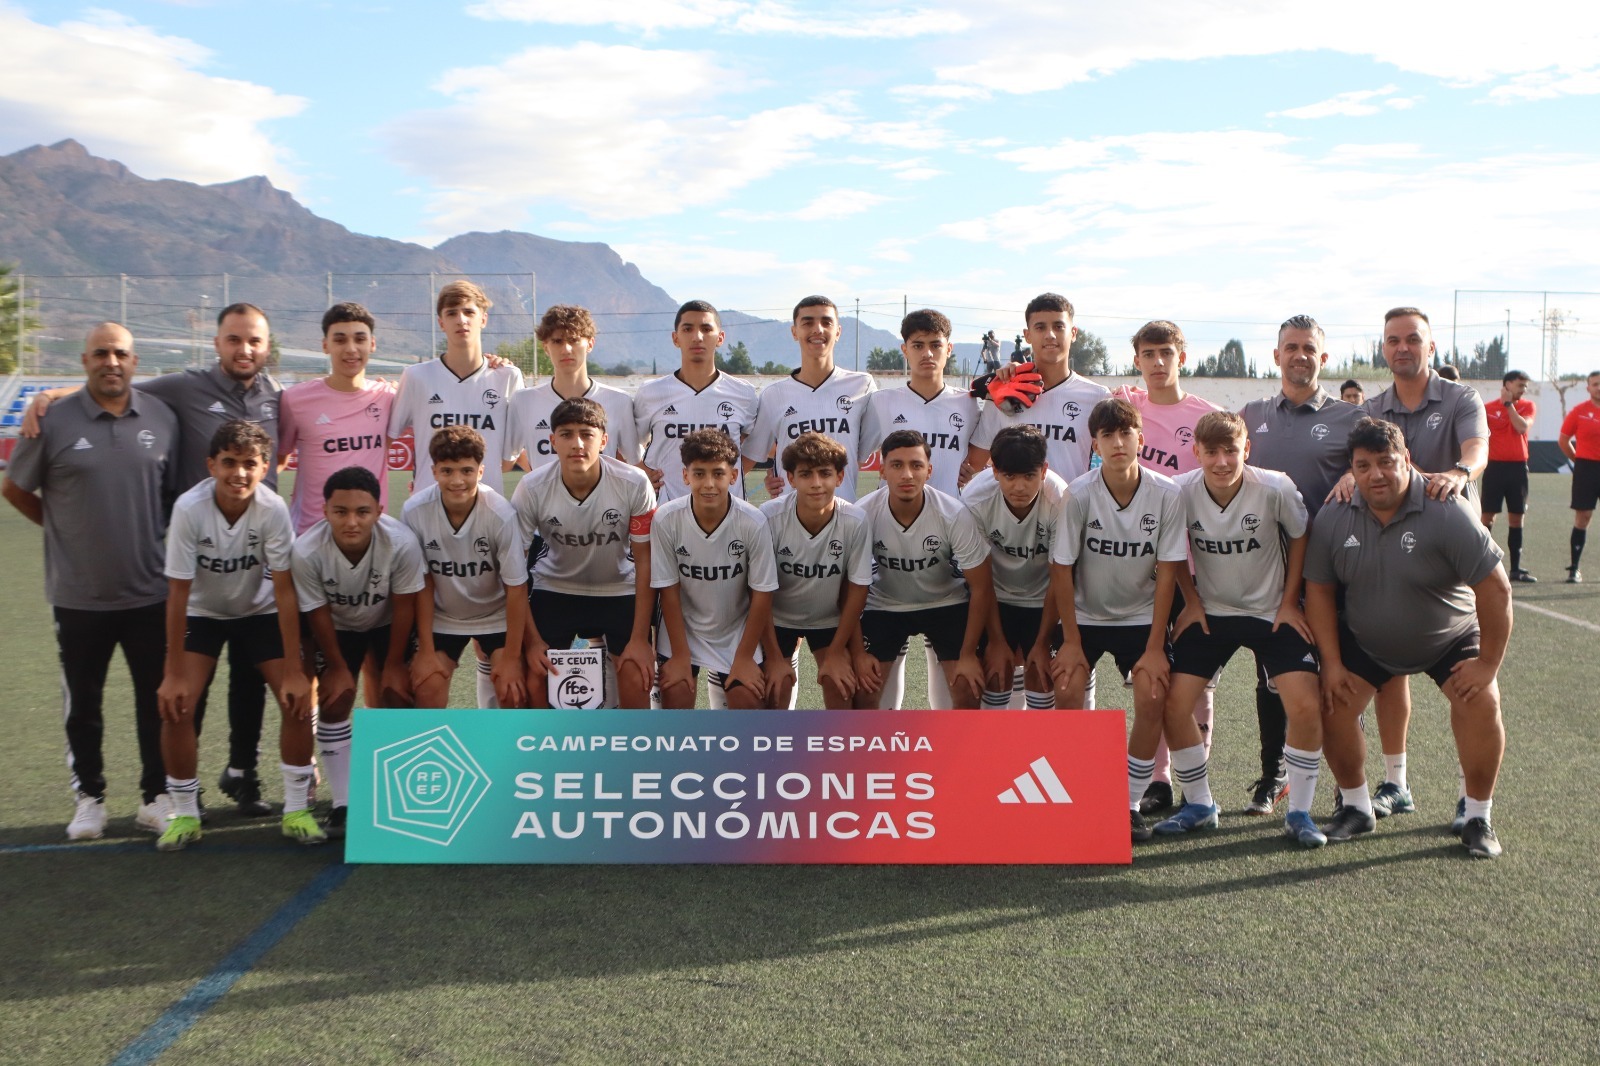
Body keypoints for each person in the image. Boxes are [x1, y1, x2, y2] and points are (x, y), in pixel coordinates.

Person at [24, 304, 287, 817]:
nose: (244, 349)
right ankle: (174, 792)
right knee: (192, 683)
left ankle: (241, 773)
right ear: (217, 343)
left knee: (252, 676)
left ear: (267, 345)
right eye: (234, 339)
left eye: (254, 341)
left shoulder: (278, 396)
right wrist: (53, 394)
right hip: (196, 564)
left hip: (257, 560)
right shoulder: (181, 388)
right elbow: (116, 386)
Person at [2, 323, 179, 839]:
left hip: (149, 591)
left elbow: (169, 497)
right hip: (78, 596)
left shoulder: (161, 417)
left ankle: (156, 795)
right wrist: (65, 530)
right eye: (100, 353)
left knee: (156, 700)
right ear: (84, 361)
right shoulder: (52, 420)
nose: (111, 362)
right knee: (83, 702)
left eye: (120, 353)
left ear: (134, 361)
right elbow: (15, 490)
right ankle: (90, 797)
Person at [1306, 418, 1512, 858]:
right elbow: (1319, 591)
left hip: (1449, 637)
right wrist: (1333, 662)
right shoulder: (1335, 514)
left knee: (1482, 701)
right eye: (1363, 466)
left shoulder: (1446, 509)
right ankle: (1358, 807)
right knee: (1332, 701)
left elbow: (1496, 588)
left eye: (1386, 462)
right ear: (1352, 470)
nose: (1376, 474)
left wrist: (1488, 664)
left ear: (1408, 460)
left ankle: (1477, 815)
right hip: (1369, 639)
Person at [1342, 307, 1489, 819]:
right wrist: (1348, 477)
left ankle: (1475, 803)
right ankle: (1396, 783)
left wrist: (1460, 471)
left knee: (1472, 688)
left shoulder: (1459, 398)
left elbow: (1477, 448)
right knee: (1388, 674)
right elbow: (1364, 468)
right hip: (1387, 555)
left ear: (1431, 347)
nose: (1402, 347)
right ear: (1382, 349)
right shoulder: (1374, 410)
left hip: (1449, 561)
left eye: (1412, 339)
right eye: (1392, 340)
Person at [1155, 412, 1323, 847]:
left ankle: (1300, 812)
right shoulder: (1179, 492)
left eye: (1231, 450)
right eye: (1211, 452)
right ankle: (1199, 804)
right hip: (1212, 613)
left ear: (1247, 449)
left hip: (1272, 612)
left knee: (1305, 704)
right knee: (1173, 704)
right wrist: (1191, 603)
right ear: (1196, 453)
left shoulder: (1274, 487)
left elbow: (1301, 536)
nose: (1222, 461)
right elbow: (1171, 552)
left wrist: (1290, 601)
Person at [154, 421, 315, 851]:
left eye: (249, 464)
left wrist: (297, 669)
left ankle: (297, 810)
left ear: (265, 467)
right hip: (201, 612)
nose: (238, 474)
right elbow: (177, 592)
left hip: (257, 609)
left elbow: (283, 588)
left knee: (298, 700)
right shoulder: (190, 508)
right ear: (211, 465)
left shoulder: (273, 508)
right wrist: (171, 672)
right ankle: (185, 814)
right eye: (229, 463)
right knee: (177, 704)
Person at [1237, 315, 1364, 816]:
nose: (1299, 355)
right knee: (1272, 675)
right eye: (1290, 347)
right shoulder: (1251, 413)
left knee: (1338, 677)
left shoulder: (1350, 419)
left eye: (1309, 348)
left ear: (1323, 358)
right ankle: (1275, 775)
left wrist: (1355, 474)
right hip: (1266, 572)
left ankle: (1344, 783)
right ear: (1276, 356)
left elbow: (1384, 464)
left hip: (1333, 571)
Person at [1048, 397, 1188, 842]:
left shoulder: (1166, 493)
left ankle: (1127, 804)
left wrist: (1153, 646)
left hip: (1140, 617)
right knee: (1066, 687)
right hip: (1085, 616)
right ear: (1095, 444)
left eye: (1126, 433)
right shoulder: (1079, 494)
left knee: (1152, 696)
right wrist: (1070, 641)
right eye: (1107, 436)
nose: (1117, 443)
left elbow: (1168, 573)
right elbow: (1061, 569)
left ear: (1141, 440)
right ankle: (1077, 795)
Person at [1114, 320, 1223, 814]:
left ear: (1182, 357)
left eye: (1166, 353)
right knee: (1154, 678)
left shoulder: (1208, 418)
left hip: (1198, 568)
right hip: (1142, 567)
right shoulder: (1124, 408)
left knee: (1195, 678)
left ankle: (1192, 780)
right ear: (1136, 359)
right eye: (1148, 354)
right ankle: (1157, 780)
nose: (1158, 363)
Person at [290, 465, 426, 835]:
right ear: (325, 512)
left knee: (399, 694)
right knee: (335, 699)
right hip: (337, 627)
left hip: (387, 624)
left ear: (379, 512)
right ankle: (345, 802)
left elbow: (404, 606)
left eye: (362, 512)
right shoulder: (306, 550)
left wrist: (394, 663)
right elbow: (316, 613)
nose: (351, 521)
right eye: (341, 512)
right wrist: (336, 666)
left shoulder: (400, 542)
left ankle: (400, 797)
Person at [511, 398, 658, 710]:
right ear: (552, 442)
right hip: (556, 588)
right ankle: (548, 756)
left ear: (604, 440)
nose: (577, 443)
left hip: (618, 588)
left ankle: (635, 756)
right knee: (536, 677)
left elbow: (645, 561)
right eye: (566, 434)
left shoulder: (633, 482)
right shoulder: (532, 487)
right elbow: (513, 570)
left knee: (637, 676)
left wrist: (641, 639)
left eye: (586, 434)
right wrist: (533, 642)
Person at [852, 429, 994, 710]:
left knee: (968, 688)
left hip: (945, 602)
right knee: (864, 692)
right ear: (882, 472)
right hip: (885, 605)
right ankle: (875, 752)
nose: (907, 475)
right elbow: (848, 586)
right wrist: (857, 653)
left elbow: (981, 587)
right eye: (897, 465)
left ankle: (957, 753)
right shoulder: (862, 514)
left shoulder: (953, 514)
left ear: (928, 471)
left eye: (916, 466)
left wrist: (967, 654)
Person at [402, 426, 530, 710]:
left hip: (495, 614)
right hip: (443, 617)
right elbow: (422, 584)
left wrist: (510, 658)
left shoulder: (500, 514)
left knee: (513, 693)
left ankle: (505, 753)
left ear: (481, 472)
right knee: (426, 687)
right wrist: (424, 649)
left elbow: (516, 588)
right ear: (434, 471)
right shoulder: (414, 511)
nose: (457, 480)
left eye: (466, 471)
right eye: (447, 471)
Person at [652, 429, 779, 710]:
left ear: (733, 477)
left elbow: (761, 595)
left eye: (718, 474)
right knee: (677, 698)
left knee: (749, 705)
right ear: (685, 476)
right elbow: (668, 592)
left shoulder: (752, 521)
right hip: (682, 631)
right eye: (699, 474)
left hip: (735, 632)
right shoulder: (666, 518)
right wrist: (681, 656)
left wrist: (745, 658)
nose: (709, 484)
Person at [759, 432, 874, 710]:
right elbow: (757, 592)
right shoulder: (768, 517)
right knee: (775, 691)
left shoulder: (855, 520)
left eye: (825, 473)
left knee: (843, 688)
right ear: (791, 479)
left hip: (829, 620)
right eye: (806, 474)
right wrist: (775, 656)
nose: (816, 484)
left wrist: (837, 652)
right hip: (777, 620)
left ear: (840, 477)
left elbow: (857, 589)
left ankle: (838, 752)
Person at [961, 426, 1067, 709]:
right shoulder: (974, 499)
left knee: (1043, 676)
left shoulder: (1060, 499)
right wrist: (996, 640)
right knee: (994, 675)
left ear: (1043, 471)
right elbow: (980, 581)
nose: (1019, 487)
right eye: (1009, 476)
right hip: (996, 596)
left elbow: (1060, 578)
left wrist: (1042, 643)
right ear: (994, 471)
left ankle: (1038, 751)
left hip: (1045, 597)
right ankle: (993, 751)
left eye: (1029, 476)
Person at [388, 279, 525, 497]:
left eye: (469, 312)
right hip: (428, 506)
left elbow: (507, 462)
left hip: (486, 508)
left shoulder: (507, 376)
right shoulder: (416, 376)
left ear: (483, 319)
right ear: (441, 322)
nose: (461, 320)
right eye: (452, 313)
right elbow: (388, 439)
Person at [742, 296, 876, 502]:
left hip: (844, 518)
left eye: (826, 322)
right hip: (788, 520)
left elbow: (863, 454)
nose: (818, 329)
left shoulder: (862, 386)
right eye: (807, 323)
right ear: (794, 332)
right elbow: (750, 457)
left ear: (838, 331)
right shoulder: (773, 395)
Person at [967, 293, 1109, 485]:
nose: (1050, 335)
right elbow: (974, 462)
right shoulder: (1004, 390)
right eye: (1040, 327)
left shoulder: (1097, 397)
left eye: (1059, 327)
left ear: (1073, 333)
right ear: (1027, 335)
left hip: (1071, 511)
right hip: (1014, 512)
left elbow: (1114, 460)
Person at [277, 303, 395, 534]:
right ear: (325, 345)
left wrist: (488, 367)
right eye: (340, 340)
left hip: (371, 535)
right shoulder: (295, 400)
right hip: (310, 536)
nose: (351, 349)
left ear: (372, 344)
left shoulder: (390, 398)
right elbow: (277, 461)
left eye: (359, 339)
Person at [634, 300, 758, 503]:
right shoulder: (651, 392)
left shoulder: (743, 393)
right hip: (665, 512)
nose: (697, 337)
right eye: (688, 329)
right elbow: (627, 445)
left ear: (720, 337)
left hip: (727, 514)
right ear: (676, 338)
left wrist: (726, 476)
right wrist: (641, 471)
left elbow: (756, 445)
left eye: (706, 329)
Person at [860, 308, 983, 498]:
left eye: (935, 345)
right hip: (891, 520)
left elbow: (981, 453)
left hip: (949, 518)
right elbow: (856, 456)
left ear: (949, 349)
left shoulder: (968, 403)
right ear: (905, 350)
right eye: (918, 346)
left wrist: (970, 469)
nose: (927, 353)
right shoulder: (882, 402)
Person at [506, 304, 638, 473]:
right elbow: (507, 460)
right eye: (557, 341)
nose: (566, 349)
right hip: (544, 500)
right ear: (546, 347)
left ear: (590, 344)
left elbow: (633, 462)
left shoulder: (619, 400)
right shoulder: (523, 400)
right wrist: (537, 477)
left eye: (574, 340)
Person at [1482, 369, 1538, 582]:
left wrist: (1509, 406)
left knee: (1516, 518)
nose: (1523, 390)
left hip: (1518, 469)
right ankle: (1483, 563)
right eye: (1519, 385)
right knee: (1487, 516)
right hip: (1494, 468)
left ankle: (1515, 569)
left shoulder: (1527, 406)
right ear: (1506, 385)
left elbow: (1521, 426)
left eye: (1525, 386)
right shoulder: (1487, 409)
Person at [1557, 370, 1600, 583]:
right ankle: (1574, 568)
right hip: (1587, 469)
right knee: (1583, 517)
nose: (1599, 387)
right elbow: (1563, 440)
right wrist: (1578, 460)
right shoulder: (1579, 411)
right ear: (1588, 387)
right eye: (1595, 384)